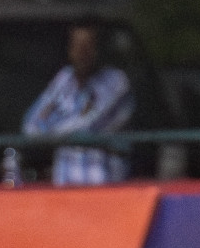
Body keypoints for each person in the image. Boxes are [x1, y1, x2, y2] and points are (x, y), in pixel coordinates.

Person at [22, 17, 135, 185]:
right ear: (69, 50)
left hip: (104, 187)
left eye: (88, 46)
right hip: (65, 187)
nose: (82, 53)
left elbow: (87, 126)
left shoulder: (116, 82)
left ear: (99, 49)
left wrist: (53, 118)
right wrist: (68, 121)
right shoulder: (63, 79)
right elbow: (30, 126)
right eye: (77, 46)